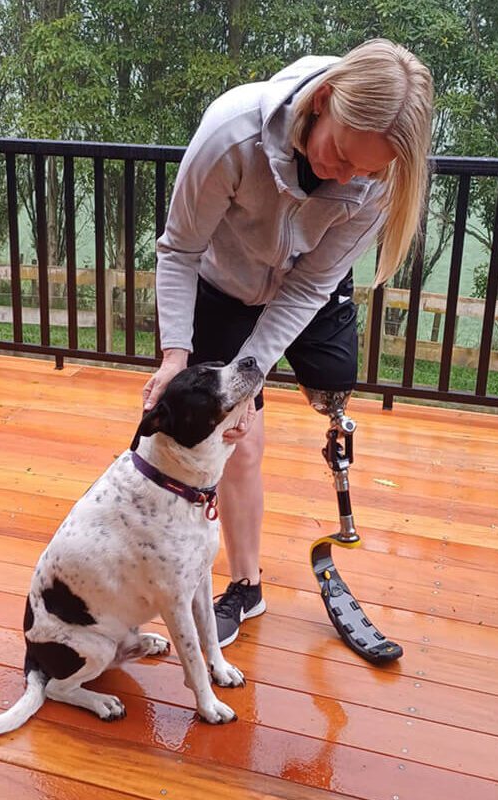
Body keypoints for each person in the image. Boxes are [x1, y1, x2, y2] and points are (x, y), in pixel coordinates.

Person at [142, 38, 433, 647]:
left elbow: (307, 290)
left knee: (332, 386)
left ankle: (317, 396)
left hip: (307, 286)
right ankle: (246, 588)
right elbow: (179, 251)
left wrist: (255, 366)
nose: (345, 177)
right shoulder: (233, 133)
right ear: (322, 102)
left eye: (366, 171)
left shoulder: (377, 183)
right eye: (341, 156)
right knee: (238, 446)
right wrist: (178, 354)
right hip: (221, 285)